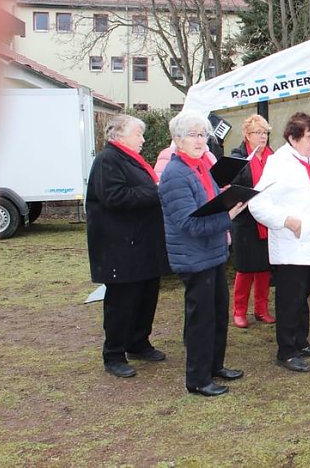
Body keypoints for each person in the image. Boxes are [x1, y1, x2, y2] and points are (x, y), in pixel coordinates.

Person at [248, 112, 310, 373]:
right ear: (292, 138)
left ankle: (301, 342)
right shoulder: (279, 164)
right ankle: (286, 350)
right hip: (293, 243)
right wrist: (286, 220)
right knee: (290, 299)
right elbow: (257, 203)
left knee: (303, 296)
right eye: (307, 137)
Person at [159, 111, 245, 397]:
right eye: (193, 135)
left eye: (203, 135)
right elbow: (187, 223)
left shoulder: (200, 166)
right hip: (194, 257)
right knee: (201, 320)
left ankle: (214, 366)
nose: (200, 140)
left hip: (212, 252)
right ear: (177, 139)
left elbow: (207, 204)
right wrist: (228, 215)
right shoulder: (175, 174)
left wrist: (226, 196)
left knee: (218, 314)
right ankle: (197, 379)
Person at [86, 115, 170, 378]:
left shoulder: (131, 159)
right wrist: (157, 191)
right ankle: (114, 353)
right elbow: (114, 196)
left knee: (146, 295)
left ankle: (138, 342)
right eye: (138, 134)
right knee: (122, 301)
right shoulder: (107, 160)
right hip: (120, 246)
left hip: (143, 243)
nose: (143, 139)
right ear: (119, 135)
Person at [229, 114, 275, 328]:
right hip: (245, 220)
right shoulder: (237, 157)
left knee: (265, 267)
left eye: (265, 133)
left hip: (267, 220)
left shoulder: (273, 157)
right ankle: (239, 311)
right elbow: (232, 187)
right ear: (247, 135)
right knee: (245, 268)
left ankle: (261, 309)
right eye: (258, 132)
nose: (263, 137)